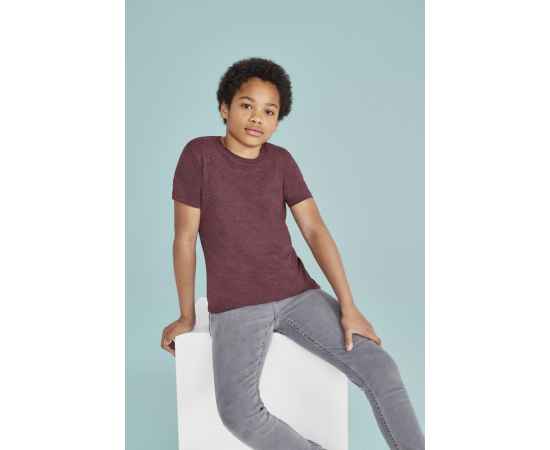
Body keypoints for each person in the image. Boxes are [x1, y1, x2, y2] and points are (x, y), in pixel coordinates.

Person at [161, 57, 424, 450]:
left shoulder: (281, 161)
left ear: (278, 120)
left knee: (380, 367)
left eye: (270, 111)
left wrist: (349, 307)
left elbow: (315, 230)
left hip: (297, 294)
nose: (257, 118)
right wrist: (186, 315)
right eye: (247, 105)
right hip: (236, 307)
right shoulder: (199, 155)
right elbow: (184, 238)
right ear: (224, 108)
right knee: (238, 413)